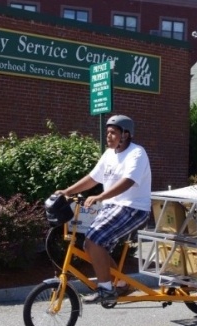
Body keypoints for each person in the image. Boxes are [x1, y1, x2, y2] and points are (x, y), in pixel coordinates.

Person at [55, 114, 151, 304]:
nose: (108, 136)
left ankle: (106, 290)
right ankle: (121, 283)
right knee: (90, 245)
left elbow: (128, 181)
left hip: (133, 207)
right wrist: (68, 191)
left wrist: (100, 197)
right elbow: (93, 178)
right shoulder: (109, 154)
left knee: (95, 239)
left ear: (126, 135)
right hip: (112, 207)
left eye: (113, 133)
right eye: (107, 132)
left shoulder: (136, 153)